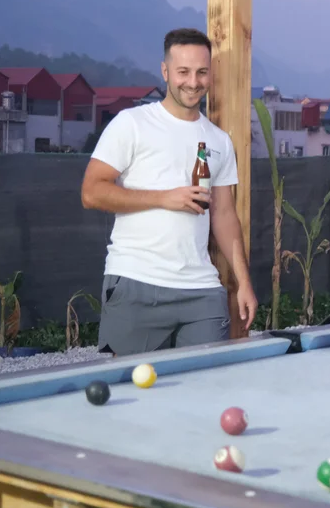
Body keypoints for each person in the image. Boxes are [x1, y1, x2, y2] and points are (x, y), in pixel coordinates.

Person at [81, 27, 257, 355]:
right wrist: (164, 198)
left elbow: (224, 215)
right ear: (165, 72)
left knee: (207, 382)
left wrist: (244, 282)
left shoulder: (219, 141)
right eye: (183, 72)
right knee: (131, 385)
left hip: (202, 290)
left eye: (202, 72)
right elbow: (91, 192)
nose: (193, 82)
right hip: (137, 282)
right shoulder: (132, 123)